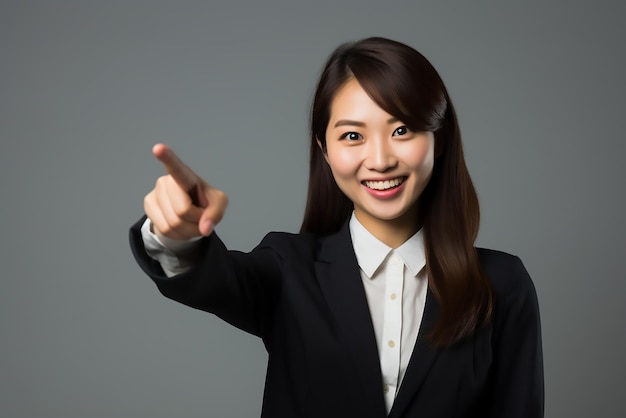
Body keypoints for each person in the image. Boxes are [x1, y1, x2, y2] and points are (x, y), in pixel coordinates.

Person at [129, 37, 544, 417]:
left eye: (402, 130)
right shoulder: (288, 271)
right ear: (324, 149)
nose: (380, 159)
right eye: (352, 136)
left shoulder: (502, 286)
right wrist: (177, 234)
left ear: (440, 138)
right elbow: (215, 279)